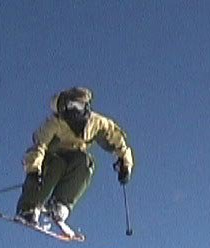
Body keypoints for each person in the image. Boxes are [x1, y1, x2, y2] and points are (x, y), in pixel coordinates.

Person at [15, 87, 135, 232]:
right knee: (57, 165)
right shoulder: (54, 124)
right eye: (71, 106)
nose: (75, 110)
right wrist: (33, 170)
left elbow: (117, 139)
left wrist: (125, 163)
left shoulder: (94, 123)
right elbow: (39, 145)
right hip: (52, 157)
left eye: (79, 105)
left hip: (74, 158)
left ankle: (60, 204)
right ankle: (29, 207)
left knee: (85, 163)